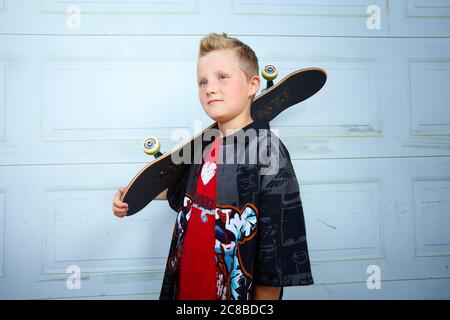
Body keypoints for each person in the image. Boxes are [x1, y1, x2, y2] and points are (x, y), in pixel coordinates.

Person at [112, 33, 313, 300]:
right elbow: (186, 192)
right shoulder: (204, 147)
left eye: (222, 77)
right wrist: (133, 197)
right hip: (186, 288)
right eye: (202, 81)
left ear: (253, 84)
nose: (210, 87)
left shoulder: (266, 150)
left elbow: (274, 260)